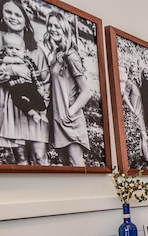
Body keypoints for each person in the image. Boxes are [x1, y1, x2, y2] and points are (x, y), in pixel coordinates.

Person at [0, 0, 50, 165]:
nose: (12, 17)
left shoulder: (36, 49)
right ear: (2, 14)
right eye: (8, 12)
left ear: (25, 18)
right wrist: (13, 71)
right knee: (21, 157)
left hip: (36, 102)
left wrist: (43, 102)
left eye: (17, 14)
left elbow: (45, 80)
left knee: (40, 156)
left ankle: (47, 189)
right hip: (11, 106)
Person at [43, 11, 90, 167]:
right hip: (58, 119)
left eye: (56, 25)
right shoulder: (57, 55)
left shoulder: (71, 56)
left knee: (76, 164)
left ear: (64, 28)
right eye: (49, 25)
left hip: (70, 120)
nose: (52, 28)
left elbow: (86, 92)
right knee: (65, 164)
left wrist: (69, 113)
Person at [0, 32, 47, 124]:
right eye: (10, 48)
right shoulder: (5, 58)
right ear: (5, 49)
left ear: (24, 51)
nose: (14, 51)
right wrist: (13, 60)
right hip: (14, 86)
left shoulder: (27, 60)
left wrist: (40, 87)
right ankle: (32, 113)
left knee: (36, 96)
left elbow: (35, 73)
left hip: (28, 84)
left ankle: (42, 113)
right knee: (17, 100)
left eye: (17, 49)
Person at [122, 63, 148, 162]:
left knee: (142, 136)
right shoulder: (129, 83)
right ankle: (147, 159)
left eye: (137, 72)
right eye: (133, 72)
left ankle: (143, 156)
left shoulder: (138, 82)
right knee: (144, 136)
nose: (135, 73)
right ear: (130, 72)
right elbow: (125, 97)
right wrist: (133, 110)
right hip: (137, 113)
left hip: (142, 112)